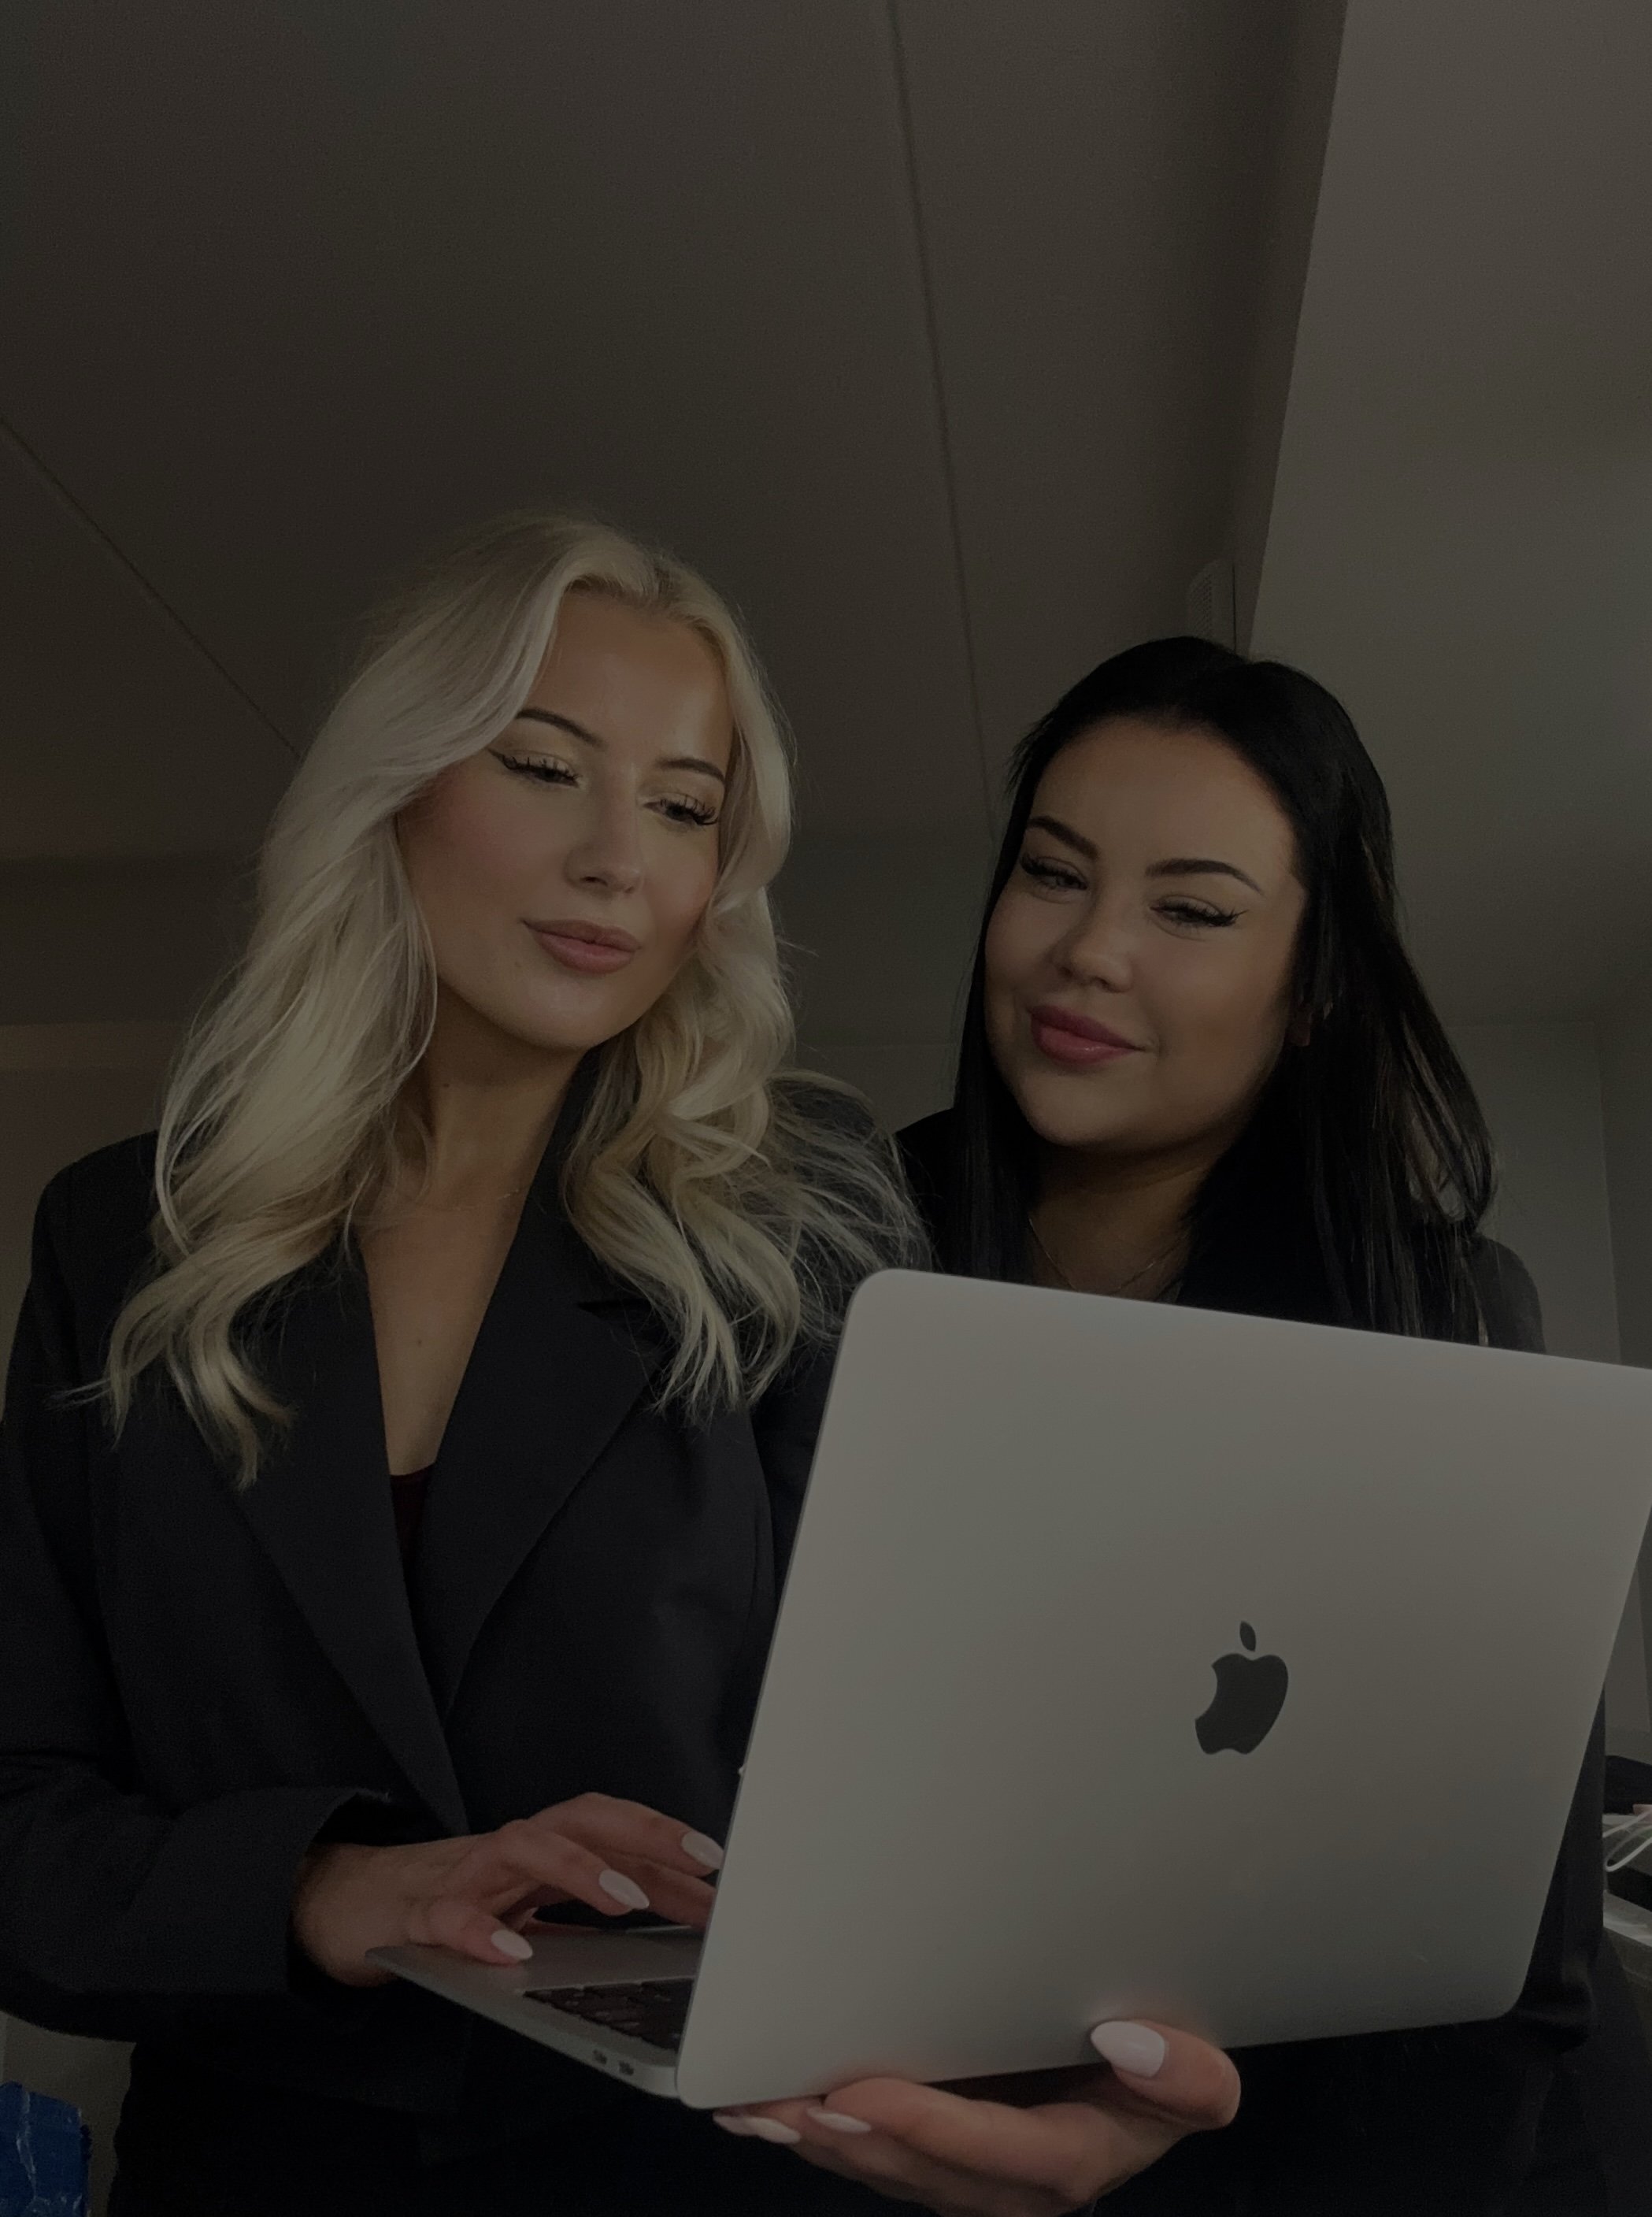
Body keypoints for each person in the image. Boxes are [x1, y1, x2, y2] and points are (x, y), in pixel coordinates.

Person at [0, 522, 1237, 2217]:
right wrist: (319, 1886)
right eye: (544, 766)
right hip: (259, 2170)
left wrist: (1054, 2051)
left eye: (681, 805)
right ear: (394, 788)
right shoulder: (120, 1235)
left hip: (704, 2177)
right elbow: (21, 1822)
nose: (619, 861)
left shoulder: (802, 1210)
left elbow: (946, 1769)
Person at [869, 636, 1652, 2214]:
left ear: (1308, 993)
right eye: (1050, 874)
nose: (1088, 952)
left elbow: (1515, 1926)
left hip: (1392, 2135)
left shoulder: (1431, 1304)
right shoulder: (846, 1245)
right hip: (944, 2115)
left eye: (1189, 909)